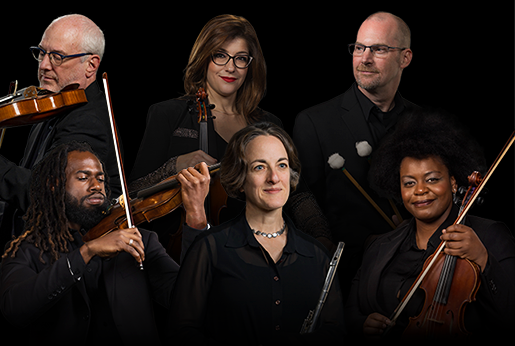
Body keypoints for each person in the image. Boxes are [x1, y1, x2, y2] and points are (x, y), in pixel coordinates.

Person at [127, 14, 330, 260]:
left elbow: (298, 193)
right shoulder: (168, 114)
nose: (230, 67)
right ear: (204, 58)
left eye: (241, 58)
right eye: (220, 55)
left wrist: (321, 237)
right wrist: (174, 166)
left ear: (250, 65)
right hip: (181, 251)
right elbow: (134, 194)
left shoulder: (267, 124)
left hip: (255, 253)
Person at [0, 14, 118, 263]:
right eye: (41, 53)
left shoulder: (88, 122)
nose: (44, 65)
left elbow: (44, 195)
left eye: (57, 56)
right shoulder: (53, 104)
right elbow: (13, 205)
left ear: (91, 65)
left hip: (50, 260)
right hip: (19, 247)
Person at [345, 109, 515, 343]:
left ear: (453, 182)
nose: (420, 190)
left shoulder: (489, 236)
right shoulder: (379, 245)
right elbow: (351, 311)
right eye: (409, 183)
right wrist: (362, 324)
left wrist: (483, 259)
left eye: (432, 179)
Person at [169, 122, 345, 345]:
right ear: (240, 179)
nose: (274, 178)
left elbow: (336, 333)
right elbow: (181, 333)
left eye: (281, 165)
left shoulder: (316, 255)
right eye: (259, 167)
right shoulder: (209, 249)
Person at [0, 141, 179, 344]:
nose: (96, 186)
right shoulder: (28, 249)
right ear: (54, 184)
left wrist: (196, 221)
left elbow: (186, 300)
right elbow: (14, 310)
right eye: (83, 178)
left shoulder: (137, 239)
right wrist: (86, 253)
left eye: (100, 179)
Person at [292, 11, 417, 294]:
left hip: (414, 273)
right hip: (344, 278)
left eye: (379, 49)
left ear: (405, 58)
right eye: (359, 48)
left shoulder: (423, 122)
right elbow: (302, 199)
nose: (365, 58)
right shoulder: (314, 121)